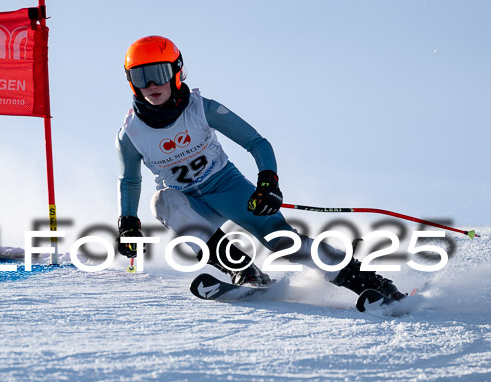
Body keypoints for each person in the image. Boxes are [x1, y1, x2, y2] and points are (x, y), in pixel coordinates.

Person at [115, 35, 404, 301]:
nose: (151, 85)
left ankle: (370, 283)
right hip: (189, 204)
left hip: (228, 188)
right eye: (141, 77)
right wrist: (128, 223)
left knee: (282, 241)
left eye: (158, 74)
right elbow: (129, 180)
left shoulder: (203, 108)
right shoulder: (131, 134)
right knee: (162, 201)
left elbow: (256, 142)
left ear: (176, 72)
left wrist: (268, 183)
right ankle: (244, 271)